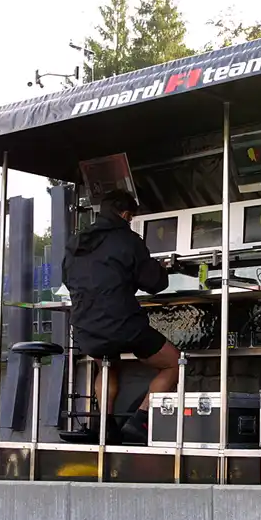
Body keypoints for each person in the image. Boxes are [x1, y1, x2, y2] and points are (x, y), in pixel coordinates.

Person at [62, 189, 180, 444]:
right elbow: (154, 284)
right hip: (122, 326)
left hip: (85, 329)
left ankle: (105, 425)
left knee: (107, 362)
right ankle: (141, 421)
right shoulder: (129, 240)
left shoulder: (76, 242)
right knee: (174, 362)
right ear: (126, 214)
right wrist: (161, 268)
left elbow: (68, 279)